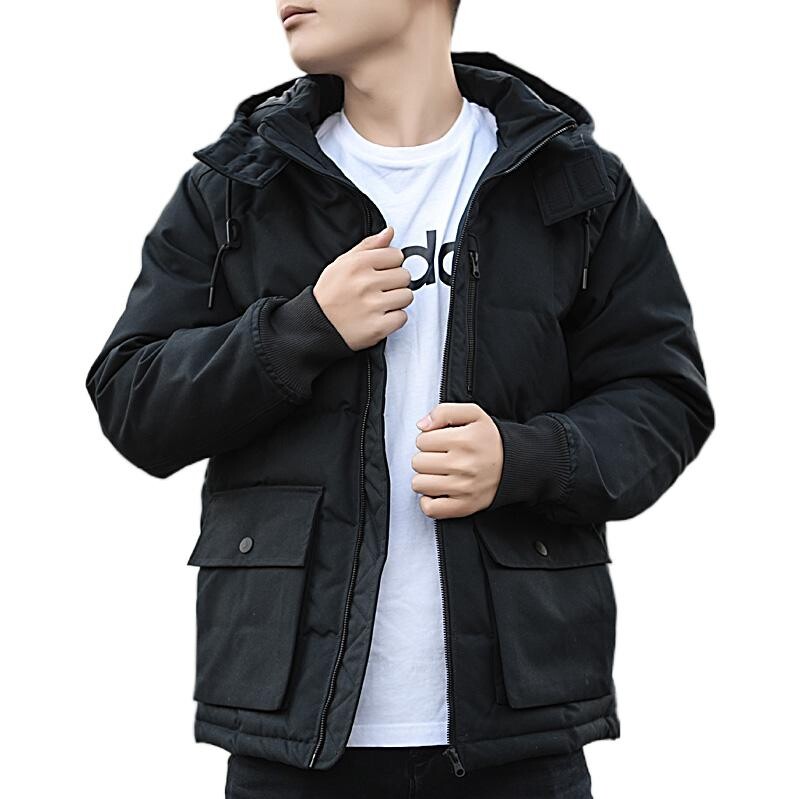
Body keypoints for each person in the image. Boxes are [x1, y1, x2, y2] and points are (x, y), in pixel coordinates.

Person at [85, 1, 715, 797]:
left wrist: (525, 459)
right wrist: (300, 330)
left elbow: (661, 398)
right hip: (297, 741)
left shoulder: (570, 181)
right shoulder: (240, 186)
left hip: (515, 735)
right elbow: (133, 400)